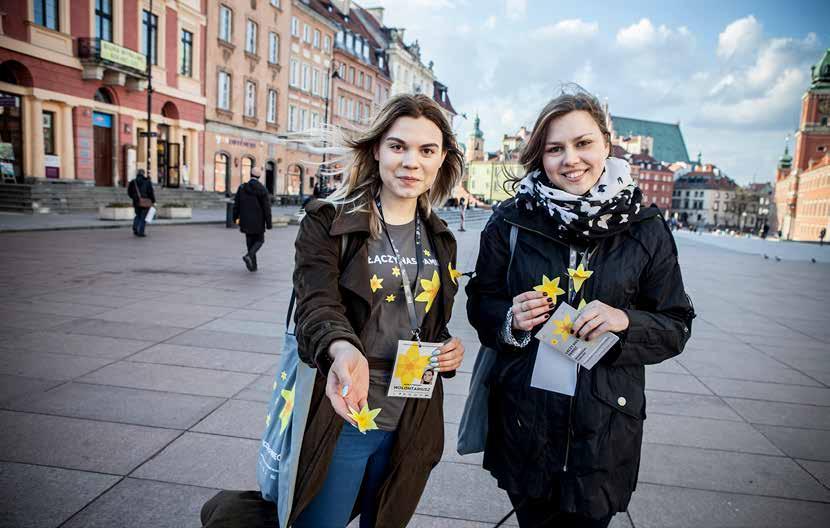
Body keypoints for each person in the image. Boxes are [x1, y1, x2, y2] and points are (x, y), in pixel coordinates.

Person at [466, 90, 695, 527]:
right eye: (555, 149)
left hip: (605, 427)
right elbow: (482, 303)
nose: (571, 159)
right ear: (540, 155)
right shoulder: (511, 219)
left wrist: (624, 321)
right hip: (525, 419)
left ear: (606, 145)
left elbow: (675, 324)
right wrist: (510, 319)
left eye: (583, 143)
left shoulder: (645, 228)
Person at [232, 166, 272, 271]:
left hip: (245, 220)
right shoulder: (262, 189)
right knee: (260, 240)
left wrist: (234, 218)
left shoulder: (242, 188)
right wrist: (269, 223)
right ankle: (249, 256)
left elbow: (236, 204)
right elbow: (266, 208)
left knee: (250, 242)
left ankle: (253, 266)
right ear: (259, 176)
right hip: (258, 221)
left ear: (250, 174)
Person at [127, 169, 155, 237]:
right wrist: (153, 200)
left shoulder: (133, 182)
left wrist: (134, 198)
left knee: (138, 215)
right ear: (143, 173)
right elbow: (150, 192)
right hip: (145, 202)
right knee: (143, 217)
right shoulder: (147, 181)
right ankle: (141, 232)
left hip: (136, 201)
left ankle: (135, 227)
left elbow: (129, 192)